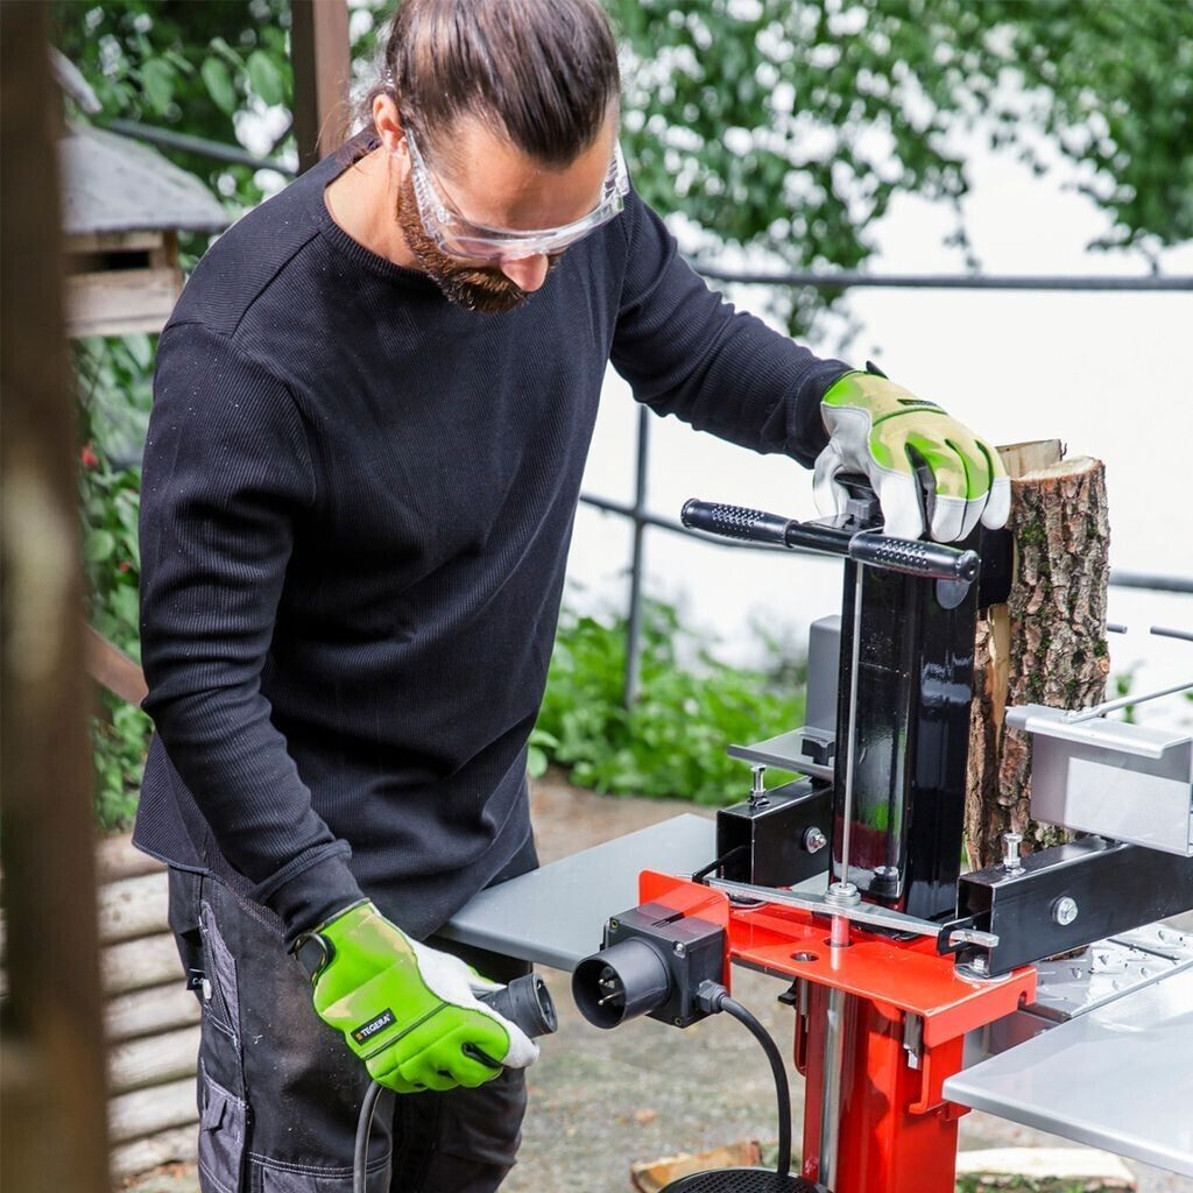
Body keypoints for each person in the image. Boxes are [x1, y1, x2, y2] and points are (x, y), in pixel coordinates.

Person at [135, 1, 1009, 1190]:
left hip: (477, 815)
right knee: (309, 1168)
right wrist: (330, 921)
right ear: (391, 128)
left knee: (468, 1146)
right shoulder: (247, 348)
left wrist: (838, 402)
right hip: (288, 850)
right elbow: (200, 683)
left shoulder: (562, 218)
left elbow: (689, 343)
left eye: (570, 225)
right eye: (493, 233)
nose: (536, 270)